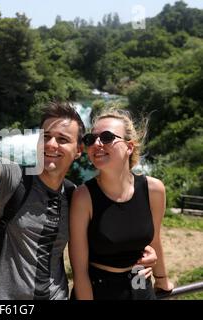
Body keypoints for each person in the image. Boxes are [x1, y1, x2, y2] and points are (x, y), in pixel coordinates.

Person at [0, 43, 156, 300]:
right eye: (47, 136)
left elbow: (107, 238)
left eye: (63, 140)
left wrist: (142, 255)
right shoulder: (11, 180)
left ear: (78, 151)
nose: (52, 144)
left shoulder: (76, 196)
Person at [69, 108, 174, 300]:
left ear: (129, 146)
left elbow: (154, 240)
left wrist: (162, 279)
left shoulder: (154, 190)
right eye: (91, 139)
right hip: (99, 291)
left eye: (107, 137)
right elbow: (80, 272)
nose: (97, 144)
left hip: (141, 286)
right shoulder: (83, 197)